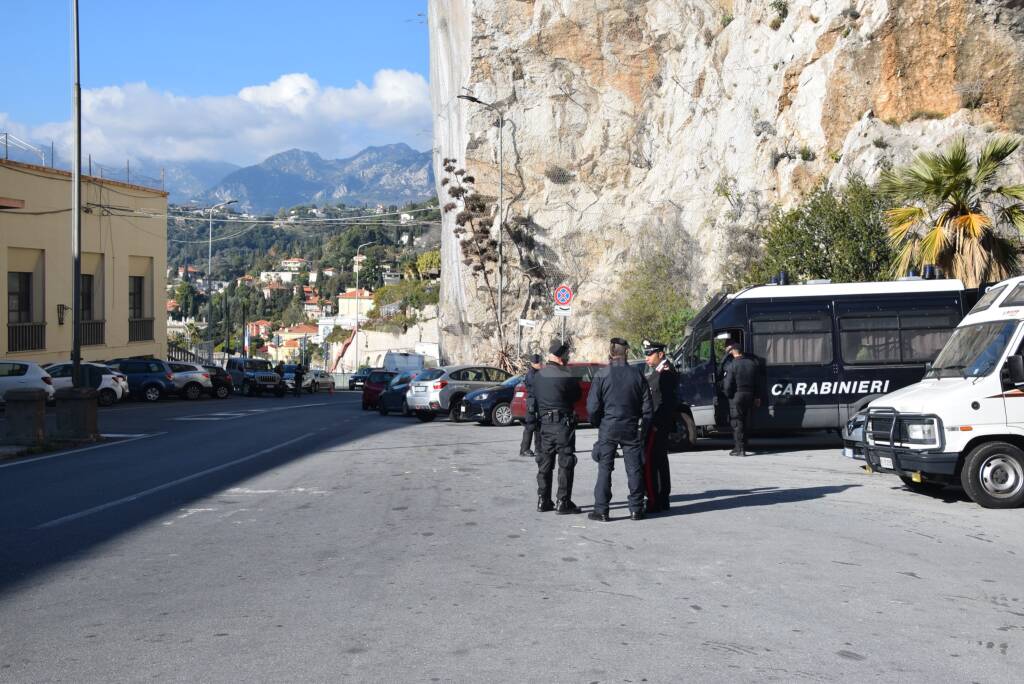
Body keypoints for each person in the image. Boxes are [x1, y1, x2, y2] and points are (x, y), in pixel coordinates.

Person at [586, 338, 653, 522]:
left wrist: (599, 423)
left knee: (605, 468)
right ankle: (636, 509)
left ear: (610, 353)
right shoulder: (637, 375)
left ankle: (601, 510)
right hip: (630, 426)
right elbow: (648, 408)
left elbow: (592, 407)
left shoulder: (602, 375)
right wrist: (643, 430)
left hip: (608, 426)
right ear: (626, 353)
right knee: (634, 468)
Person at [532, 340, 582, 514]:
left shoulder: (538, 376)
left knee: (544, 463)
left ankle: (543, 500)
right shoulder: (566, 374)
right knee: (565, 462)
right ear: (561, 358)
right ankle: (563, 502)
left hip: (544, 425)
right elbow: (576, 396)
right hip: (562, 424)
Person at [642, 339, 678, 513]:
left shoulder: (666, 372)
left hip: (658, 424)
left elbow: (666, 403)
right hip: (658, 423)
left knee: (653, 462)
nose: (646, 357)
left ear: (660, 354)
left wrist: (658, 424)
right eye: (646, 354)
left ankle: (656, 499)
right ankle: (662, 498)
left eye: (649, 354)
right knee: (659, 461)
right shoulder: (659, 371)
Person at [722, 341, 762, 456]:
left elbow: (728, 385)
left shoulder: (732, 365)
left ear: (734, 352)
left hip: (737, 396)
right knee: (744, 422)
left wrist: (728, 394)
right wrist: (757, 397)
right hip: (749, 396)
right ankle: (741, 446)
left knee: (736, 422)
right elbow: (757, 383)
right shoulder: (752, 363)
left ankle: (740, 449)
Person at [519, 354, 543, 458]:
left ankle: (538, 449)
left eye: (540, 362)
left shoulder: (538, 373)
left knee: (538, 426)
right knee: (530, 426)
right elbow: (536, 389)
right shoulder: (531, 375)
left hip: (537, 402)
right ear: (533, 363)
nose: (540, 364)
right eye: (538, 363)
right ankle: (524, 450)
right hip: (532, 402)